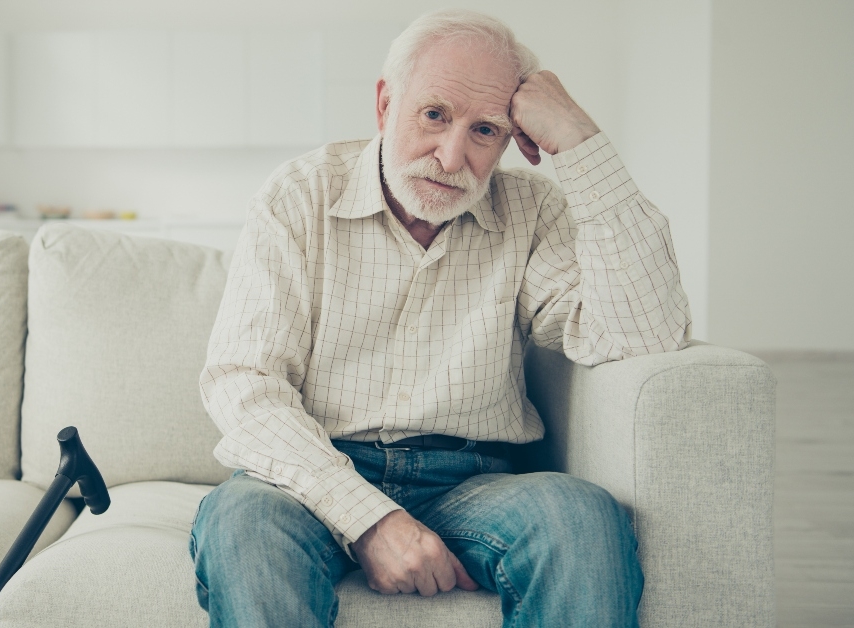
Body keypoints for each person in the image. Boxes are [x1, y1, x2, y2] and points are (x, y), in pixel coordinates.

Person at [190, 8, 691, 628]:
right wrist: (368, 519)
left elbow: (646, 331)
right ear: (384, 103)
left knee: (580, 517)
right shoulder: (299, 195)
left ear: (512, 139)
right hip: (311, 478)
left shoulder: (534, 212)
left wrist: (582, 144)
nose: (453, 157)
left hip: (473, 479)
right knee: (243, 523)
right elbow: (244, 382)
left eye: (486, 130)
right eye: (434, 115)